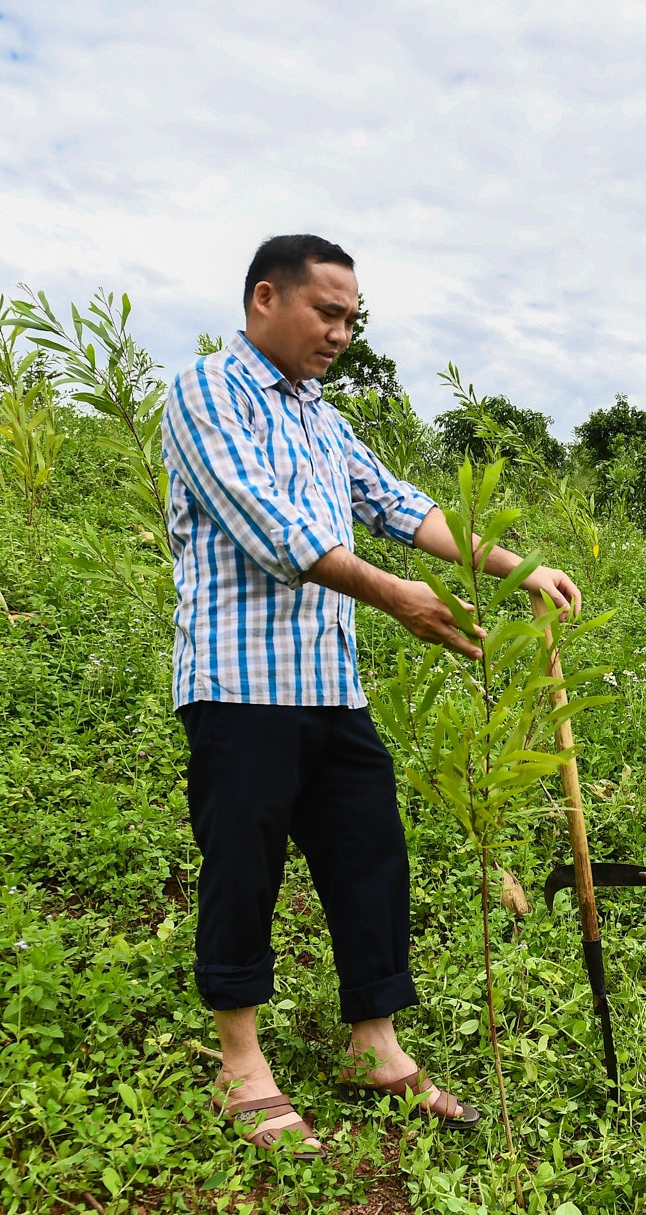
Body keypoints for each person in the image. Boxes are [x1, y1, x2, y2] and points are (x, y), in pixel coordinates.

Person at [162, 234, 581, 1157]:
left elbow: (398, 503)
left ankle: (373, 1048)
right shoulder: (206, 392)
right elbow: (268, 528)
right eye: (329, 312)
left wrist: (519, 567)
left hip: (326, 686)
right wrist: (395, 597)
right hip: (240, 687)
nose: (343, 332)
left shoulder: (320, 417)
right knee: (244, 865)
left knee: (369, 854)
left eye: (354, 318)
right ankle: (241, 1062)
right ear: (266, 298)